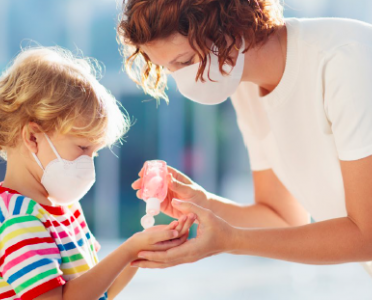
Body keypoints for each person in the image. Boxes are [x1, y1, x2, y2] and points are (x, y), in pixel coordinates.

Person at [117, 0, 372, 277]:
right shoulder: (244, 85)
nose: (182, 81)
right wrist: (203, 204)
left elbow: (367, 235)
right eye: (168, 69)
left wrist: (232, 241)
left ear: (229, 22)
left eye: (185, 61)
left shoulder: (347, 59)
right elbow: (282, 220)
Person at [0, 46, 196, 300]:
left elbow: (99, 290)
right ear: (32, 137)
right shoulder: (16, 222)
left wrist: (140, 250)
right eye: (82, 147)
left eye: (95, 152)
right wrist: (129, 249)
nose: (89, 163)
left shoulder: (65, 206)